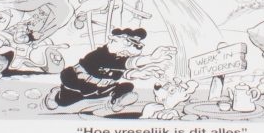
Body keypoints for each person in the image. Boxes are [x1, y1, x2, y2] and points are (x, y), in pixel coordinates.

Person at [45, 27, 174, 112]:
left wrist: (143, 72)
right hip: (78, 86)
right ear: (114, 40)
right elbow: (123, 64)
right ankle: (56, 94)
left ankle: (116, 102)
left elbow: (125, 72)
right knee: (63, 102)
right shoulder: (98, 55)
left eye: (136, 46)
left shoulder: (120, 59)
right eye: (128, 43)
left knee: (127, 86)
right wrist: (151, 59)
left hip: (100, 89)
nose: (131, 50)